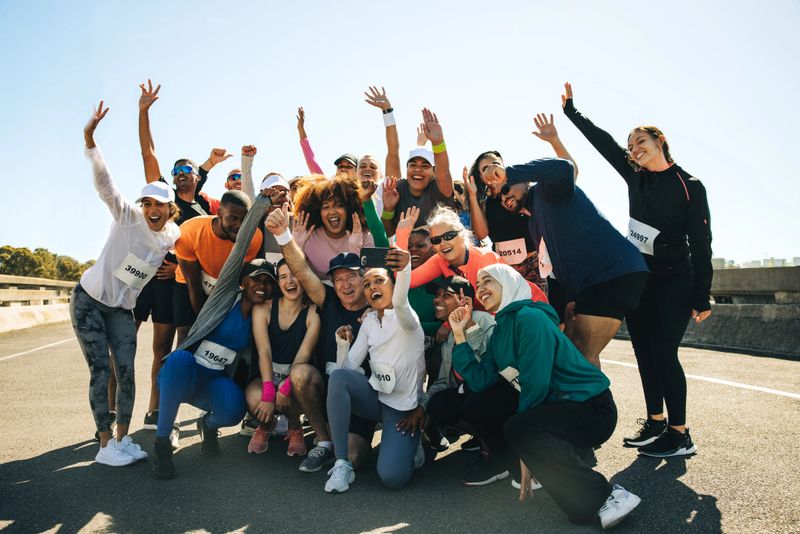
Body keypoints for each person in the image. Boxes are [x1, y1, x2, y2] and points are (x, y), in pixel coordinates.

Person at [562, 82, 712, 457]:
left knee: (664, 350)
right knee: (644, 351)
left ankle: (680, 434)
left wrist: (701, 294)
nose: (634, 150)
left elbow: (703, 244)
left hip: (677, 279)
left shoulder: (690, 185)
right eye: (631, 147)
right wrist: (572, 113)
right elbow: (605, 144)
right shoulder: (636, 176)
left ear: (659, 140)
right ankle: (656, 422)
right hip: (643, 278)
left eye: (640, 142)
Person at [450, 264, 640, 529]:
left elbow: (535, 383)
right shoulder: (500, 328)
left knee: (519, 426)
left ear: (510, 283)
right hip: (557, 408)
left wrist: (525, 449)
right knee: (482, 405)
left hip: (591, 408)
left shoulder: (530, 318)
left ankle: (609, 496)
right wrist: (459, 335)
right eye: (477, 285)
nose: (480, 289)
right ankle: (580, 496)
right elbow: (481, 381)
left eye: (488, 281)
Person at [72, 102, 179, 466]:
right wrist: (91, 142)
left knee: (128, 372)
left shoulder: (172, 235)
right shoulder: (128, 216)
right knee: (101, 371)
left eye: (159, 205)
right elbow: (107, 186)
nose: (152, 209)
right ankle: (104, 446)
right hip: (89, 300)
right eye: (147, 202)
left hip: (121, 309)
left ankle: (123, 437)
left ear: (169, 210)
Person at [152, 188, 274, 479]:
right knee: (179, 360)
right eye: (255, 279)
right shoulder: (224, 296)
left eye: (268, 282)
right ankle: (161, 444)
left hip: (214, 379)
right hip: (188, 373)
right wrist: (260, 204)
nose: (261, 285)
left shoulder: (262, 314)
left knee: (232, 411)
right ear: (242, 282)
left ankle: (207, 426)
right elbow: (241, 244)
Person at [136, 79, 233, 430]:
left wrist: (209, 163)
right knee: (161, 350)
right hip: (160, 282)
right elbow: (149, 153)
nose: (179, 176)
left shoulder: (206, 206)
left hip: (193, 285)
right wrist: (143, 112)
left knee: (188, 350)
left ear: (195, 176)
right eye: (175, 173)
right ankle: (154, 409)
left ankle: (176, 411)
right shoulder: (167, 199)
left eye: (185, 171)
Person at [496, 151, 648, 367]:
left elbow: (564, 168)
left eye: (506, 188)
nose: (504, 198)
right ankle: (583, 401)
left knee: (583, 353)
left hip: (614, 273)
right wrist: (570, 300)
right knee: (570, 352)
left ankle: (597, 402)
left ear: (525, 181)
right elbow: (554, 267)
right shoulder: (533, 223)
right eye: (499, 198)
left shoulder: (546, 191)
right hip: (589, 285)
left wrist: (508, 172)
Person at [265, 204, 377, 473]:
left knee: (352, 456)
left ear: (364, 279)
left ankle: (347, 446)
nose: (345, 285)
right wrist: (283, 235)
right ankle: (324, 439)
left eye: (351, 277)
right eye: (338, 280)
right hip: (326, 393)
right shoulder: (327, 301)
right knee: (300, 374)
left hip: (362, 401)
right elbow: (302, 271)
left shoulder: (379, 308)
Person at [325, 247, 425, 493]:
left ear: (393, 285)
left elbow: (400, 303)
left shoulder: (407, 319)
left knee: (392, 478)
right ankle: (342, 463)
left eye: (379, 281)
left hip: (402, 412)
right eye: (367, 284)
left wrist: (405, 268)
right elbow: (346, 369)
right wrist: (342, 345)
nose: (372, 287)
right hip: (375, 398)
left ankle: (413, 444)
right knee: (338, 377)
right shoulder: (369, 321)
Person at [469, 113, 579, 297]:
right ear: (480, 177)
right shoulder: (484, 203)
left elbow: (571, 173)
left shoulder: (523, 191)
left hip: (535, 265)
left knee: (539, 310)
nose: (490, 170)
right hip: (504, 270)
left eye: (495, 164)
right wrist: (473, 196)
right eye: (484, 168)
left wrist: (554, 140)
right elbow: (481, 234)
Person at [420, 276, 510, 486]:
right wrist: (423, 408)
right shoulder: (450, 331)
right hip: (472, 393)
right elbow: (444, 381)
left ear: (464, 299)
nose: (437, 299)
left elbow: (489, 368)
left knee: (474, 399)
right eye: (437, 295)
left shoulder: (484, 320)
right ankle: (483, 437)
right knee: (440, 403)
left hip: (497, 394)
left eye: (446, 295)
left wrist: (469, 325)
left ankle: (499, 454)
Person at [395, 206, 547, 309]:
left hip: (530, 308)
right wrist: (402, 235)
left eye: (449, 235)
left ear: (462, 234)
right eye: (436, 240)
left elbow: (499, 306)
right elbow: (406, 281)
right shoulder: (440, 260)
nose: (443, 243)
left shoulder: (484, 259)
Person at [245, 259, 320, 456]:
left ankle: (295, 428)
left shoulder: (313, 313)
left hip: (294, 379)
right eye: (284, 277)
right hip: (267, 375)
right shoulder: (263, 309)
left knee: (294, 395)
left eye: (295, 275)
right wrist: (269, 392)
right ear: (278, 283)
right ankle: (265, 425)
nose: (290, 281)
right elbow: (264, 351)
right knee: (255, 397)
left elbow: (303, 356)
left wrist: (285, 388)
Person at [172, 191, 263, 345]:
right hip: (189, 286)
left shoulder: (254, 236)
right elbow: (193, 285)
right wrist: (205, 324)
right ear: (220, 213)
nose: (239, 225)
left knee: (220, 337)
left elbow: (238, 277)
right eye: (232, 218)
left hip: (224, 285)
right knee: (187, 337)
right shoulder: (189, 231)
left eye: (244, 219)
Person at [380, 106, 456, 237]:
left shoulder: (439, 188)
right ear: (406, 169)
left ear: (433, 172)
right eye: (413, 165)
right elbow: (388, 233)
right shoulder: (397, 188)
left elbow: (444, 174)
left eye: (425, 166)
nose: (418, 169)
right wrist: (388, 209)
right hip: (406, 253)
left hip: (438, 253)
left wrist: (438, 143)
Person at [291, 175, 375, 279]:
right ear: (318, 212)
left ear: (349, 209)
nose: (332, 211)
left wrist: (355, 251)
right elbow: (295, 277)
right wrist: (297, 246)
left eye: (339, 205)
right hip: (319, 292)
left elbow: (370, 280)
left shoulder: (363, 235)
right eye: (326, 207)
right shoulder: (308, 236)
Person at [295, 106, 358, 179]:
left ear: (358, 171)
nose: (343, 169)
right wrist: (300, 128)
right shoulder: (327, 188)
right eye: (340, 166)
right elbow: (311, 161)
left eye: (349, 166)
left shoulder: (366, 189)